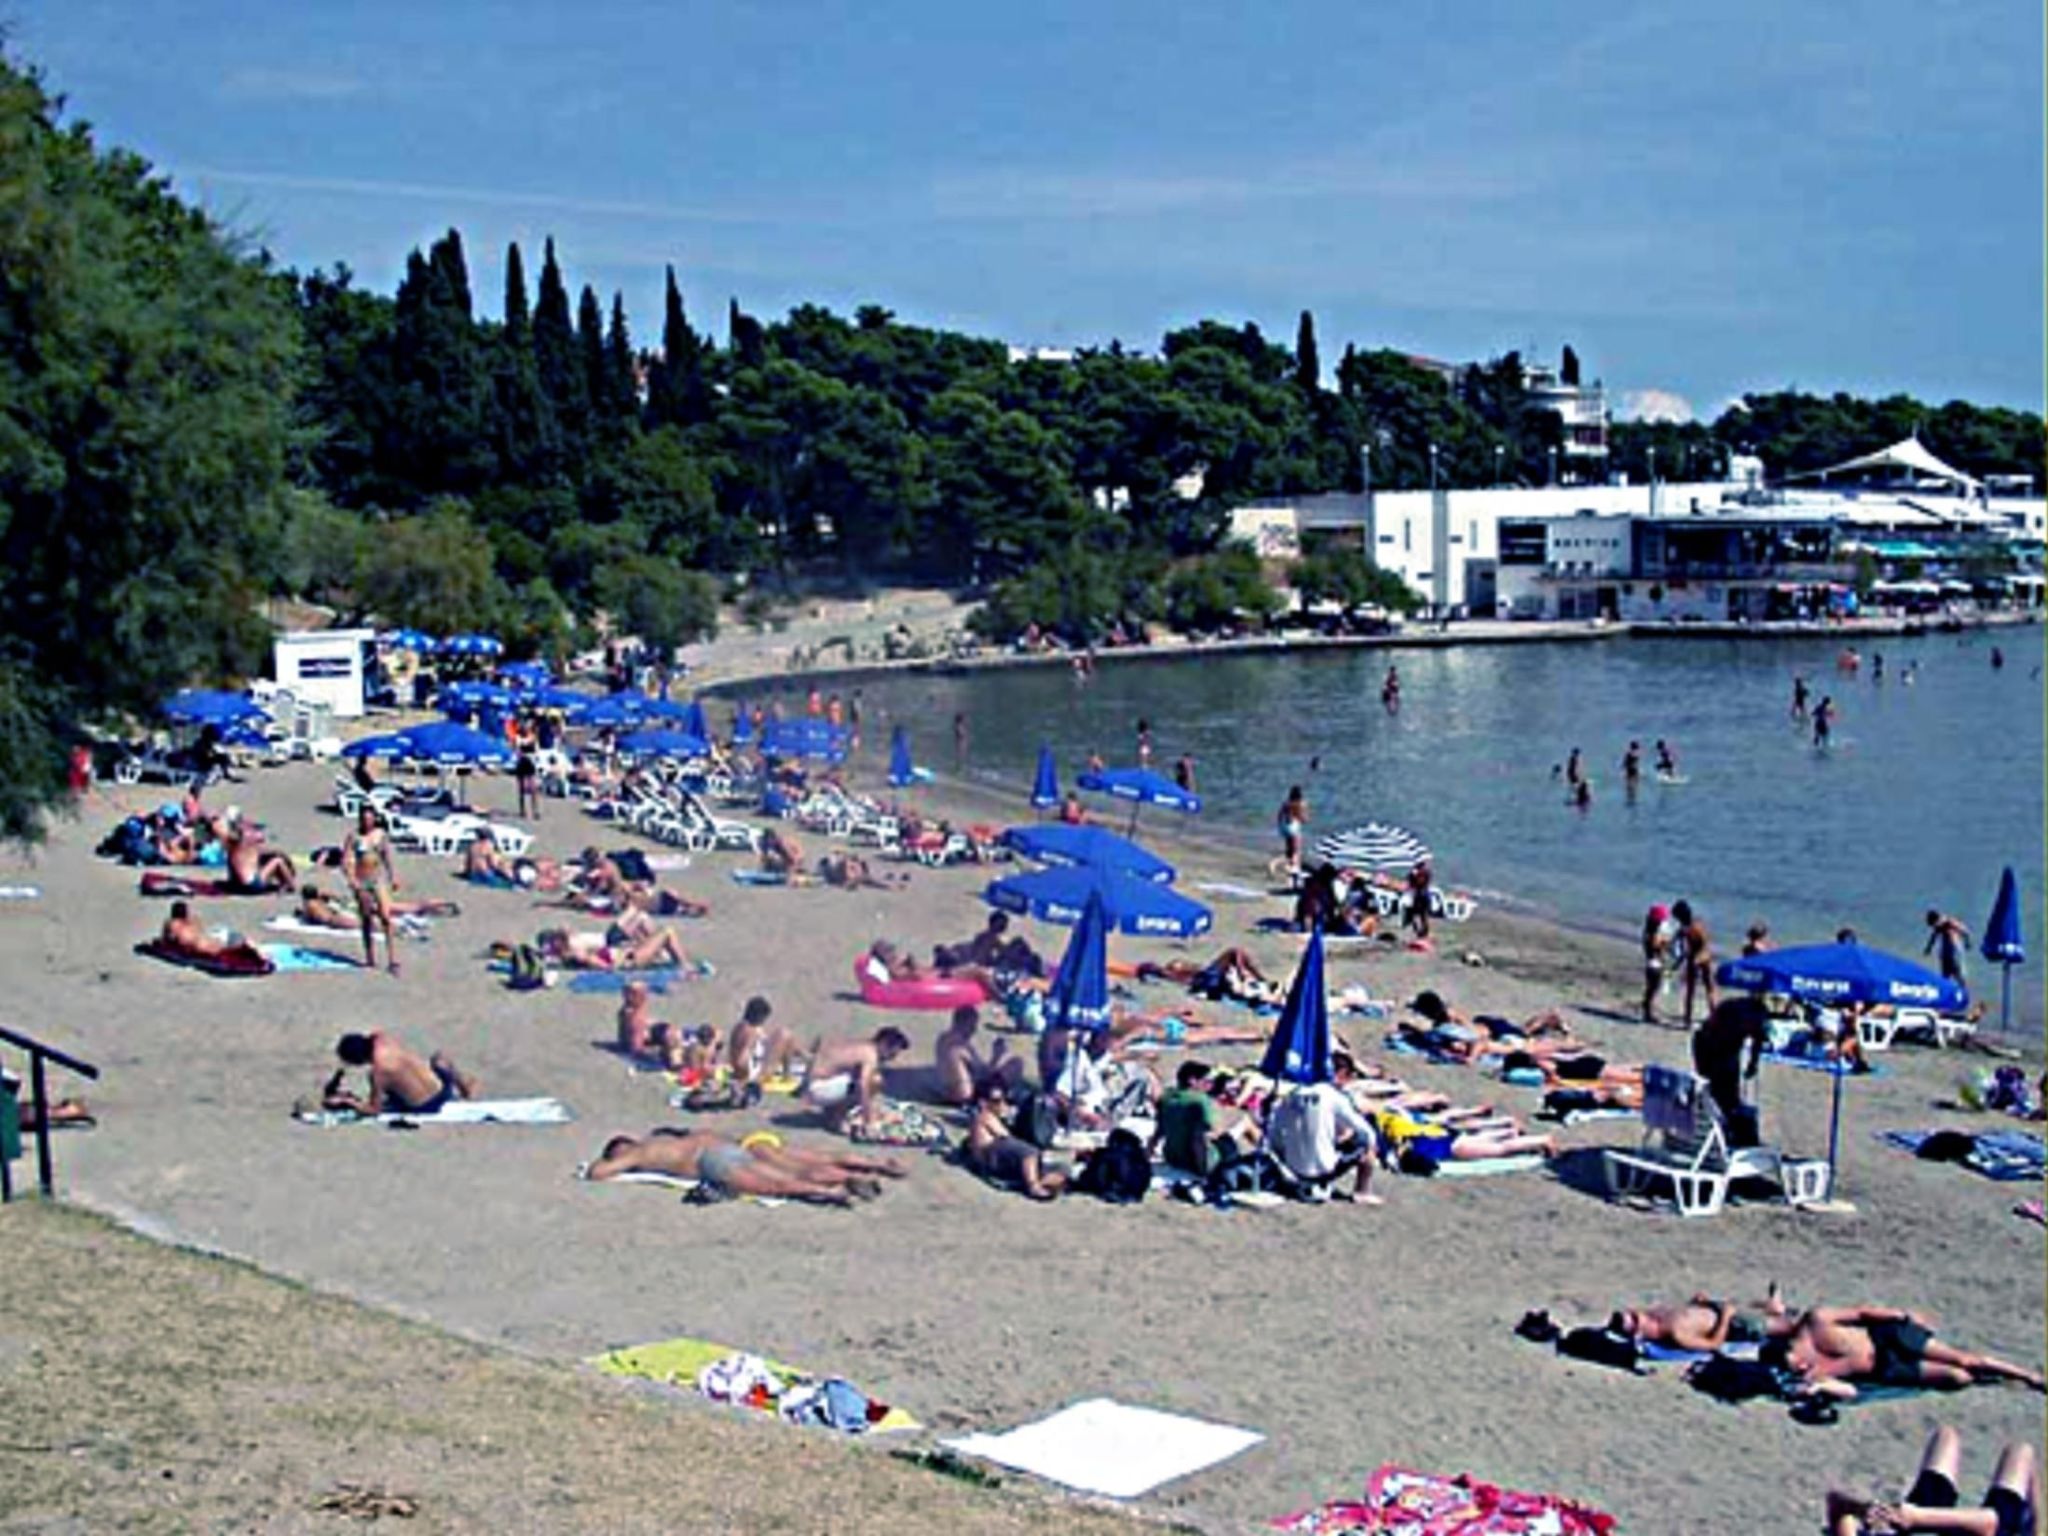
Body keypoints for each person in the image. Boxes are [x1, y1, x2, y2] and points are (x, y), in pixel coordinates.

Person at [1763, 1306, 2046, 1401]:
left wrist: (1903, 1315)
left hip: (1889, 1339)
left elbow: (1862, 1312)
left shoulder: (1817, 1320)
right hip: (1886, 1369)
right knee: (1959, 1378)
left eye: (1797, 1362)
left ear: (1794, 1346)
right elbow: (1850, 1391)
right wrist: (1820, 1387)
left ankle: (2030, 1376)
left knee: (1964, 1359)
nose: (1802, 1367)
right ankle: (1994, 1378)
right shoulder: (1811, 1374)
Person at [1826, 1425, 2039, 1536]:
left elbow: (1835, 1503)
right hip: (1971, 1528)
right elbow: (1989, 1522)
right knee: (2021, 1452)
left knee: (1946, 1436)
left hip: (1918, 1523)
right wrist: (1918, 1518)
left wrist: (1862, 1508)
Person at [587, 1130, 901, 1205]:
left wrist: (609, 1163)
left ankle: (832, 1191)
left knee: (781, 1184)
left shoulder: (640, 1152)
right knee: (803, 1163)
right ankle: (861, 1171)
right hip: (731, 1144)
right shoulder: (664, 1137)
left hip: (712, 1162)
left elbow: (597, 1173)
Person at [1267, 1060, 1381, 1205]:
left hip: (1291, 1169)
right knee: (1365, 1139)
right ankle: (1362, 1192)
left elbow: (1273, 1133)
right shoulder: (1333, 1096)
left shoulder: (1292, 1094)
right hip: (1321, 1173)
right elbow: (1366, 1131)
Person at [323, 1031, 477, 1116]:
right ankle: (464, 1087)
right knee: (440, 1059)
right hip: (443, 1089)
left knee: (388, 1088)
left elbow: (374, 1110)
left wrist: (349, 1102)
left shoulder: (378, 1073)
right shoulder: (383, 1038)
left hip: (425, 1107)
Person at [1152, 1061, 1261, 1179]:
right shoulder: (1200, 1101)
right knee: (1245, 1122)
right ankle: (1269, 1154)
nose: (1210, 1085)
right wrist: (1204, 1169)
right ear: (1192, 1081)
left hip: (1174, 1159)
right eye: (1206, 1081)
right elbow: (1204, 1136)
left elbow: (1159, 1131)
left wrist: (1147, 1155)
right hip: (1200, 1163)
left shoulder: (1167, 1097)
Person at [1611, 1287, 1791, 1353]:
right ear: (1638, 1333)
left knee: (1732, 1303)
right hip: (1735, 1326)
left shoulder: (1659, 1314)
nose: (1640, 1313)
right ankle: (1778, 1316)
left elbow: (1690, 1315)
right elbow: (1714, 1344)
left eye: (1633, 1312)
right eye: (1635, 1319)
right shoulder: (1676, 1335)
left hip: (1716, 1310)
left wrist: (1698, 1303)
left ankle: (1772, 1308)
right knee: (1791, 1326)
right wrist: (1726, 1318)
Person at [1692, 996, 1771, 1146]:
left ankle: (1717, 1129)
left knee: (1712, 1092)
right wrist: (1752, 1064)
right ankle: (1728, 1133)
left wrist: (1752, 1064)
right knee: (1726, 1097)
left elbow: (1757, 1039)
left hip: (1704, 1042)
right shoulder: (1755, 1015)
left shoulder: (1731, 1005)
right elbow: (1758, 1039)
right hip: (1718, 1047)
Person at [966, 1084, 1067, 1200]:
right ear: (983, 1102)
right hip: (990, 1155)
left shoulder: (991, 1117)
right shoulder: (984, 1116)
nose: (1001, 1104)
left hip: (999, 1154)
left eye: (1003, 1100)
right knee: (1029, 1152)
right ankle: (1033, 1186)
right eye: (996, 1101)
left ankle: (1042, 1180)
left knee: (1057, 1166)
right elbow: (1004, 1136)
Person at [800, 1028, 910, 1133]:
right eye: (892, 1053)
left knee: (857, 1078)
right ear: (884, 1044)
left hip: (813, 1086)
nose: (892, 1058)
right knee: (875, 1080)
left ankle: (832, 1113)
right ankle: (837, 1120)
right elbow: (864, 1085)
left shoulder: (860, 1047)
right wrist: (869, 1120)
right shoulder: (870, 1054)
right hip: (819, 1090)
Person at [341, 804, 400, 975]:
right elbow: (346, 860)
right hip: (362, 880)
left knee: (386, 917)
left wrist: (393, 876)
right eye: (365, 819)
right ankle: (370, 957)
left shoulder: (380, 835)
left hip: (377, 879)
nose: (368, 822)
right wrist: (352, 880)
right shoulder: (353, 837)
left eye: (370, 818)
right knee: (366, 919)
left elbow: (386, 856)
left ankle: (392, 959)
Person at [933, 1005, 1022, 1107]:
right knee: (1016, 1064)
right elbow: (983, 1074)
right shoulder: (959, 1045)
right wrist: (997, 1055)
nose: (974, 1029)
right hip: (966, 1096)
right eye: (972, 1025)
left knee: (1010, 1067)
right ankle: (1003, 1097)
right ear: (964, 1023)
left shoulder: (943, 1038)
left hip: (949, 1092)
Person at [157, 900, 266, 968]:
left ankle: (245, 947)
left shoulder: (172, 923)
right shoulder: (194, 920)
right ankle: (246, 947)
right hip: (208, 938)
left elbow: (165, 941)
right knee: (222, 947)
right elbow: (200, 931)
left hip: (199, 945)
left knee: (221, 951)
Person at [616, 980, 686, 1070]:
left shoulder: (630, 1010)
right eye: (643, 993)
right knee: (674, 1037)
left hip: (648, 1032)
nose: (646, 995)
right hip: (646, 1037)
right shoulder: (635, 1018)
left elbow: (626, 1036)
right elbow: (636, 1048)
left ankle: (674, 1057)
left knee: (673, 1034)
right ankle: (675, 1062)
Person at [1672, 900, 1717, 1027]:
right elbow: (1705, 942)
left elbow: (1682, 949)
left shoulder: (1685, 930)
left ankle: (1687, 1020)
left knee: (1690, 991)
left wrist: (1678, 962)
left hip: (1695, 958)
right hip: (1705, 956)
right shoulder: (1699, 923)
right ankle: (1714, 1016)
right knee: (1710, 988)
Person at [225, 825, 295, 894]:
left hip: (238, 886)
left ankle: (283, 882)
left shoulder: (232, 850)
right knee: (278, 860)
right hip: (253, 885)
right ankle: (291, 885)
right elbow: (268, 851)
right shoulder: (251, 847)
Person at [1642, 904, 1673, 1024]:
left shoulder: (1648, 931)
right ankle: (1648, 1012)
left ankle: (1648, 1011)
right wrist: (1665, 943)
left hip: (1651, 964)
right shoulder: (1653, 934)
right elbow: (1657, 947)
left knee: (1651, 989)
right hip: (1654, 965)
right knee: (1653, 989)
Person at [1925, 909, 1971, 988]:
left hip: (1955, 952)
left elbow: (1965, 931)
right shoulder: (1938, 926)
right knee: (1945, 976)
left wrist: (1967, 943)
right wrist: (1928, 948)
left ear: (1936, 919)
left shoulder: (1950, 922)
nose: (1934, 926)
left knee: (1959, 975)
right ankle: (1947, 994)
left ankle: (1964, 994)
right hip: (1945, 953)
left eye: (1932, 924)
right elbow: (1933, 937)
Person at [1275, 785, 1308, 879]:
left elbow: (1279, 815)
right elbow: (1303, 819)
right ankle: (1295, 868)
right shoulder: (1301, 803)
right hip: (1294, 827)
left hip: (1284, 826)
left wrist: (1281, 826)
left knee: (1289, 848)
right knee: (1297, 850)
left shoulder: (1286, 803)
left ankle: (1289, 865)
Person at [1404, 860, 1434, 940]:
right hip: (1418, 897)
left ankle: (1422, 934)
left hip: (1420, 897)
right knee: (1415, 916)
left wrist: (1414, 876)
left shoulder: (1423, 872)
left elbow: (1417, 882)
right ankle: (1419, 933)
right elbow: (1410, 882)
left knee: (1421, 916)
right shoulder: (1422, 872)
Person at [514, 736, 541, 821]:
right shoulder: (519, 738)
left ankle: (535, 811)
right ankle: (523, 810)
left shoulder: (533, 738)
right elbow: (517, 751)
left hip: (529, 762)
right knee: (522, 789)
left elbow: (537, 751)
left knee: (533, 789)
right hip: (522, 763)